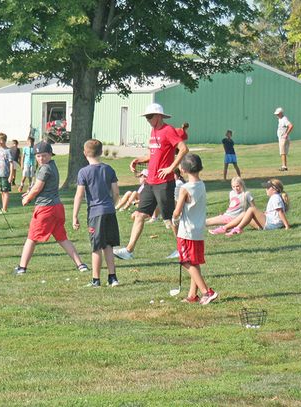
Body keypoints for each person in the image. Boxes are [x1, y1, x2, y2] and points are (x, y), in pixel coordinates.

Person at [114, 103, 189, 260]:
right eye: (146, 117)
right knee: (140, 215)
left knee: (170, 218)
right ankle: (129, 250)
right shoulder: (153, 130)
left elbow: (183, 149)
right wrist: (137, 160)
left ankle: (183, 250)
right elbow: (153, 155)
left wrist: (171, 168)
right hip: (150, 181)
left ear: (159, 116)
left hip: (164, 182)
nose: (147, 120)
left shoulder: (168, 130)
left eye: (150, 117)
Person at [14, 141, 88, 275]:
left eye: (44, 155)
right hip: (57, 208)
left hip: (45, 209)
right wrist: (29, 192)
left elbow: (37, 187)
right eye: (38, 156)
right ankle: (81, 265)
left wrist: (28, 198)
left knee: (31, 238)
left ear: (50, 155)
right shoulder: (52, 166)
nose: (41, 158)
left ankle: (21, 268)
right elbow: (41, 186)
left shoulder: (44, 168)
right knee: (62, 238)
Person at [73, 139, 120, 287]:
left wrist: (74, 215)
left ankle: (96, 279)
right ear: (100, 152)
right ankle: (113, 278)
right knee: (109, 246)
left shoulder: (83, 172)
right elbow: (116, 193)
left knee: (96, 247)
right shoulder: (109, 169)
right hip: (110, 212)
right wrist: (112, 205)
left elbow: (79, 195)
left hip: (95, 213)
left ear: (84, 153)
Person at [172, 153, 218, 304]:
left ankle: (207, 291)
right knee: (194, 262)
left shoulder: (185, 188)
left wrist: (173, 218)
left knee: (186, 262)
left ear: (183, 170)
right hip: (198, 231)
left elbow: (177, 212)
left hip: (187, 232)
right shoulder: (202, 185)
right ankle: (193, 295)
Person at [210, 178, 290, 235]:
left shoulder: (275, 197)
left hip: (271, 224)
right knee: (244, 213)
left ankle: (237, 229)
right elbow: (274, 213)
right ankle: (225, 228)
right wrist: (264, 213)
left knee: (251, 209)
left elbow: (280, 212)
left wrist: (287, 226)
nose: (266, 189)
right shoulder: (275, 197)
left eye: (267, 187)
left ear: (274, 189)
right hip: (269, 222)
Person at [0, 133, 14, 213]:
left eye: (1, 140)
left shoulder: (8, 151)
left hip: (6, 174)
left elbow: (11, 163)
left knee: (5, 191)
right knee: (2, 191)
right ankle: (3, 208)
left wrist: (11, 175)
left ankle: (5, 209)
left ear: (4, 140)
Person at [274, 107, 293, 171]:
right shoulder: (280, 119)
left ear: (281, 113)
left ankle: (284, 166)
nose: (277, 115)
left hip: (283, 138)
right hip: (281, 138)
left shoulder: (284, 119)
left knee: (283, 152)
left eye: (278, 114)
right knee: (283, 153)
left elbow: (290, 126)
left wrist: (286, 134)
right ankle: (284, 165)